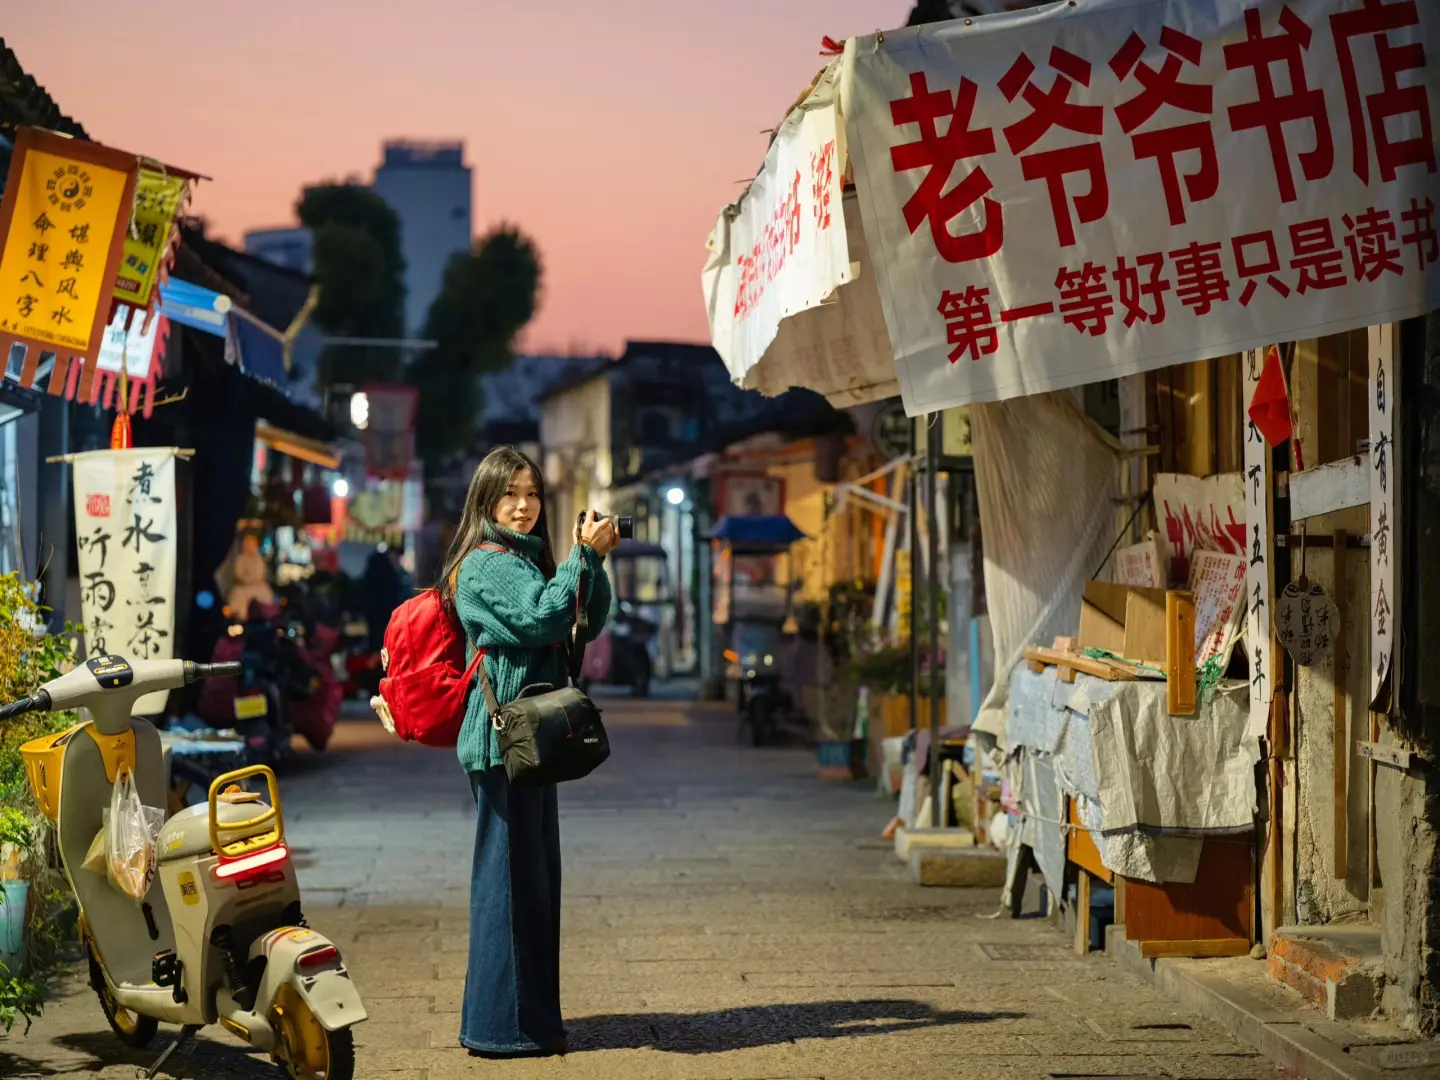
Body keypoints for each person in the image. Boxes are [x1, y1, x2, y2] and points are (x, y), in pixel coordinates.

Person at [436, 446, 616, 1057]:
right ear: (486, 501)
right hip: (503, 741)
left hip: (532, 742)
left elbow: (584, 620)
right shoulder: (486, 566)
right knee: (509, 888)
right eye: (510, 494)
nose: (523, 506)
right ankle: (501, 1027)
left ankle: (532, 1020)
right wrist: (579, 559)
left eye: (532, 494)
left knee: (534, 886)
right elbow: (543, 619)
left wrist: (592, 562)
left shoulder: (527, 558)